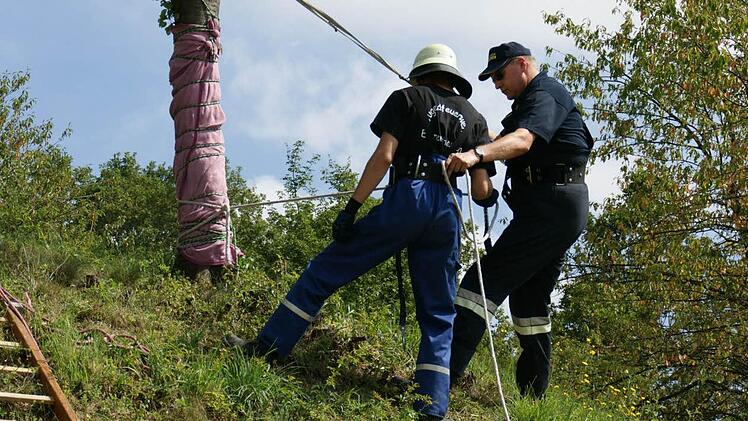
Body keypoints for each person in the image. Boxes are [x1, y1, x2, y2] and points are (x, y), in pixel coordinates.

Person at [224, 44, 497, 419]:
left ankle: (269, 348)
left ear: (420, 74)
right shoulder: (477, 119)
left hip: (409, 198)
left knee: (326, 270)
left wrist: (352, 208)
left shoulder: (407, 98)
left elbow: (385, 156)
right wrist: (491, 190)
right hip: (447, 209)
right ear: (454, 79)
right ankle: (431, 407)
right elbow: (482, 193)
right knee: (438, 312)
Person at [445, 42, 593, 398]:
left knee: (478, 284)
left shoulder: (545, 93)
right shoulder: (528, 104)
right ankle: (533, 400)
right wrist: (467, 127)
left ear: (522, 64)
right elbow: (503, 139)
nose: (496, 84)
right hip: (551, 209)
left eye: (499, 75)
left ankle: (437, 382)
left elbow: (522, 141)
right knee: (528, 303)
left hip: (552, 207)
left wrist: (475, 153)